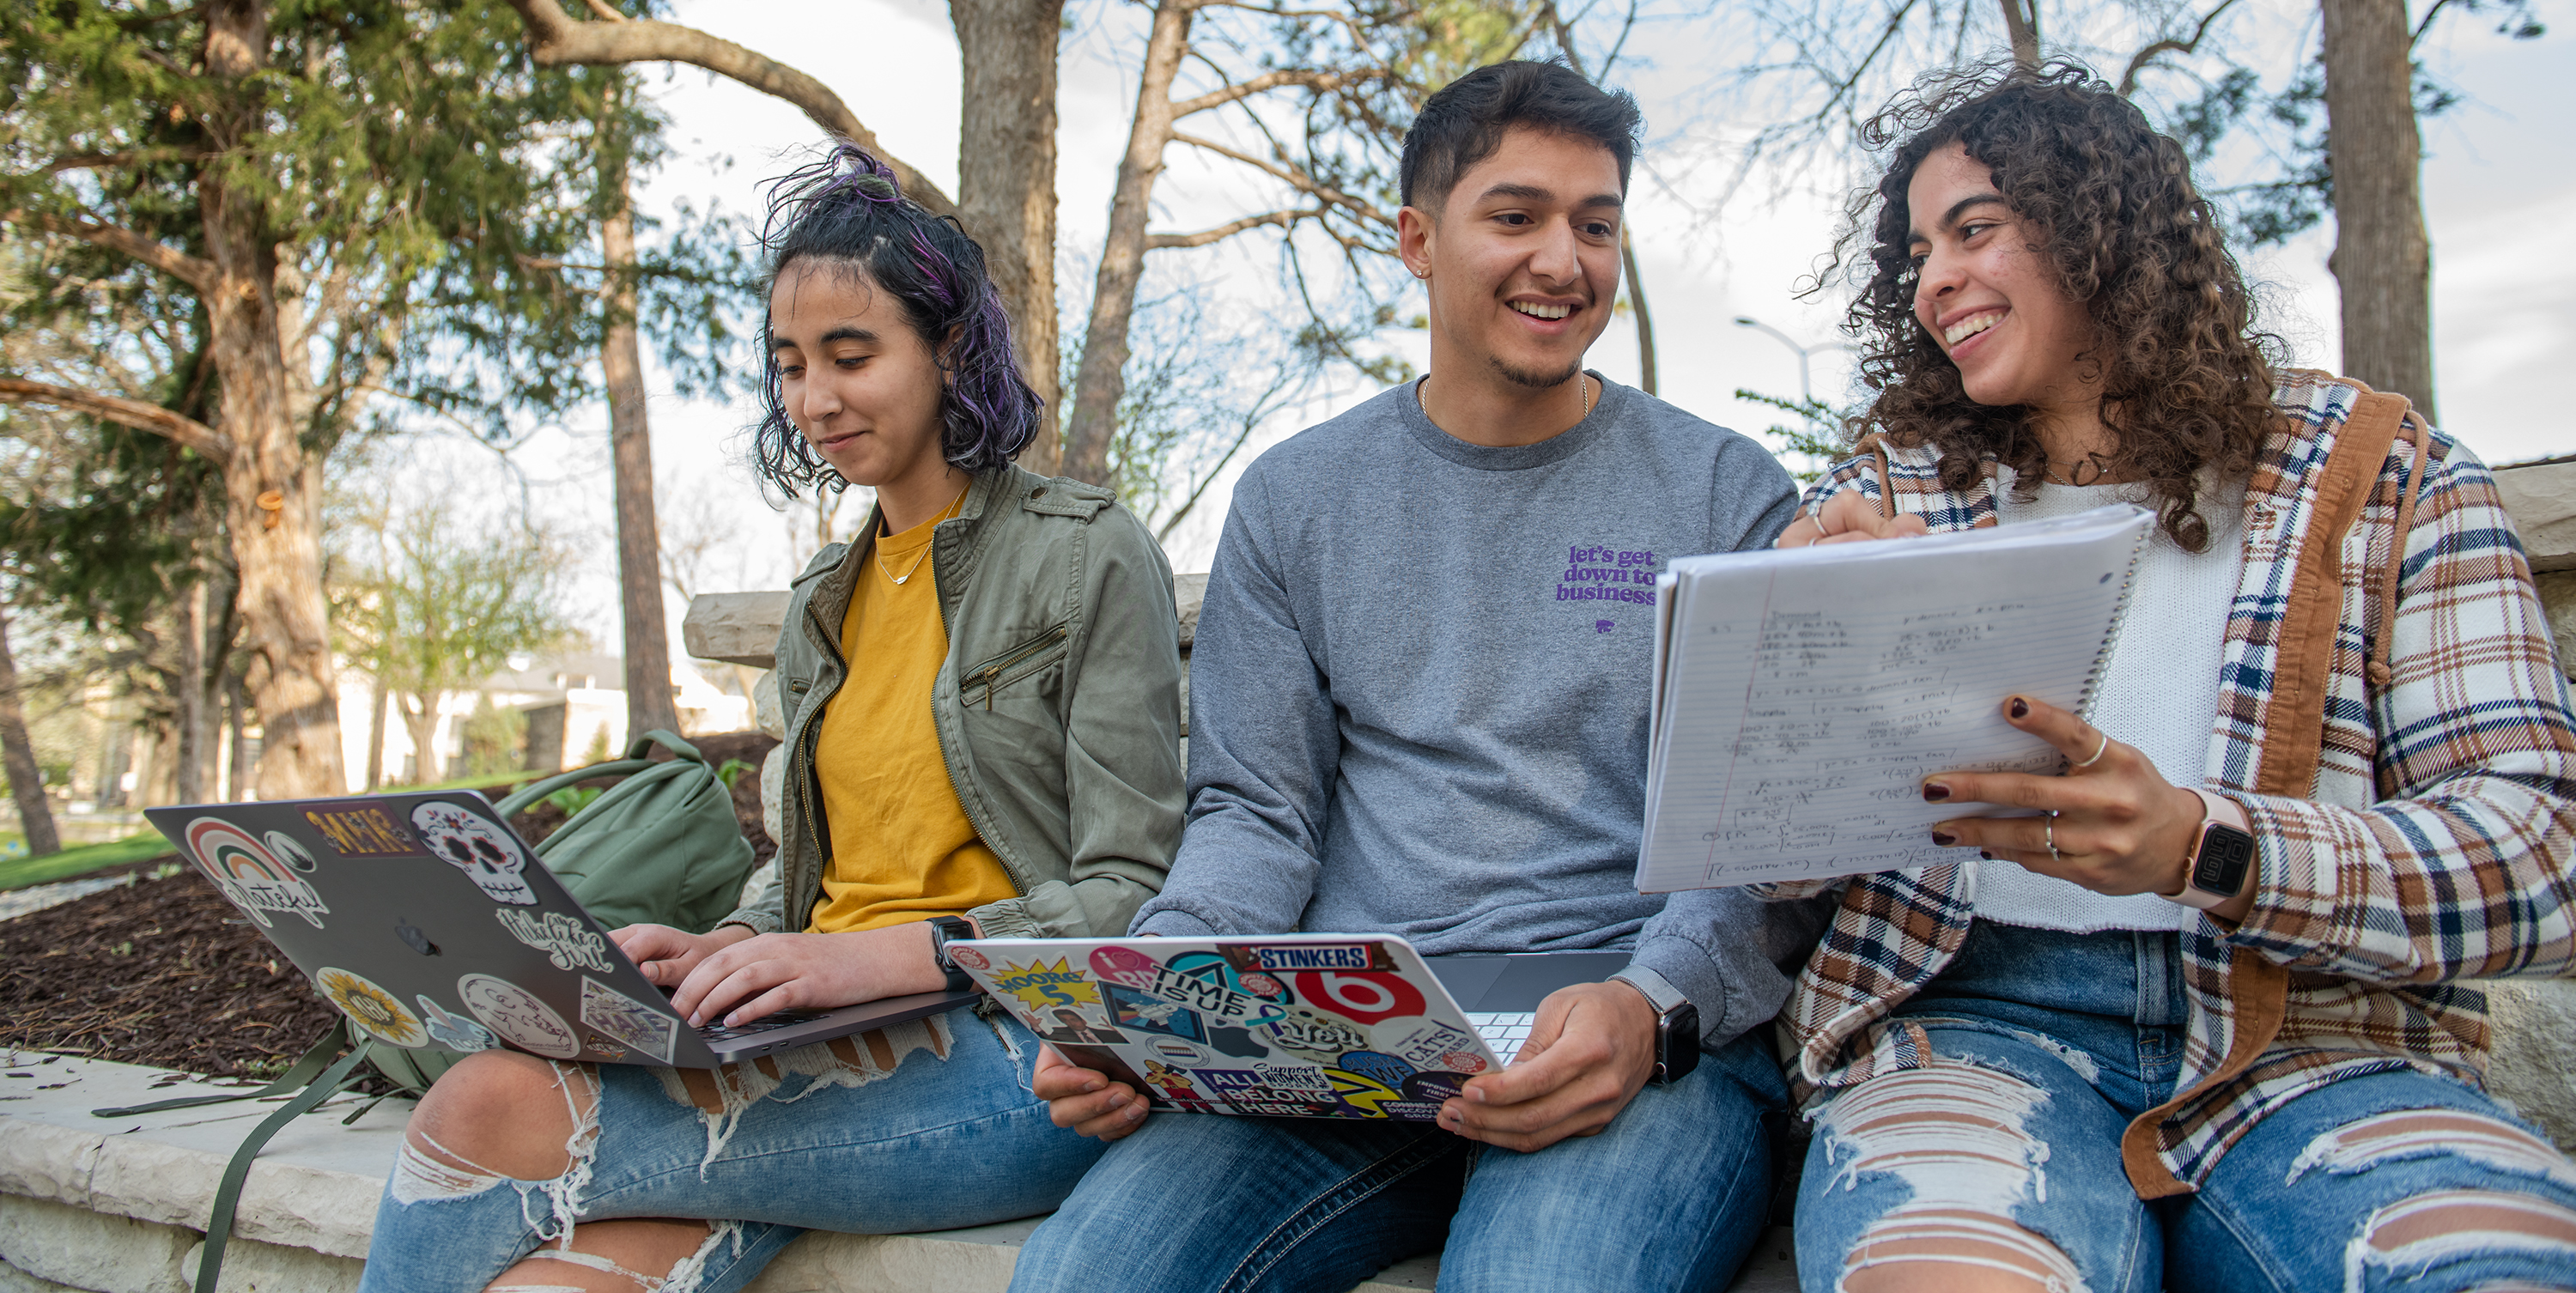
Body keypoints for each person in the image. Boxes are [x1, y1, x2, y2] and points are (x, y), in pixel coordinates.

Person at [1012, 60, 1827, 1293]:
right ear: (1416, 238)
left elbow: (1767, 851)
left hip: (1635, 1040)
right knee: (1085, 1277)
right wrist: (1155, 994)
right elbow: (1257, 808)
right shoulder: (1296, 499)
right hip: (1346, 1044)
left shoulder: (1722, 493)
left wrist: (1650, 1003)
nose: (1565, 259)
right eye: (1518, 216)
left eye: (1596, 225)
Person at [1768, 62, 2576, 1293]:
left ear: (2102, 229)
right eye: (1918, 252)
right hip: (1971, 1022)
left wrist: (2208, 846)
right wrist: (1811, 654)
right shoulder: (1893, 496)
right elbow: (1766, 851)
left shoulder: (2381, 473)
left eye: (1975, 229)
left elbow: (2543, 854)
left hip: (2316, 1040)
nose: (1933, 280)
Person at [357, 147, 1187, 1293]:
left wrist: (884, 958)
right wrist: (733, 944)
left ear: (951, 350)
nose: (814, 399)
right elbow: (810, 880)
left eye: (852, 355)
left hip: (1020, 1056)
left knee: (488, 1104)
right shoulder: (823, 602)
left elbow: (1135, 877)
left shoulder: (1083, 551)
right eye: (791, 365)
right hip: (810, 1038)